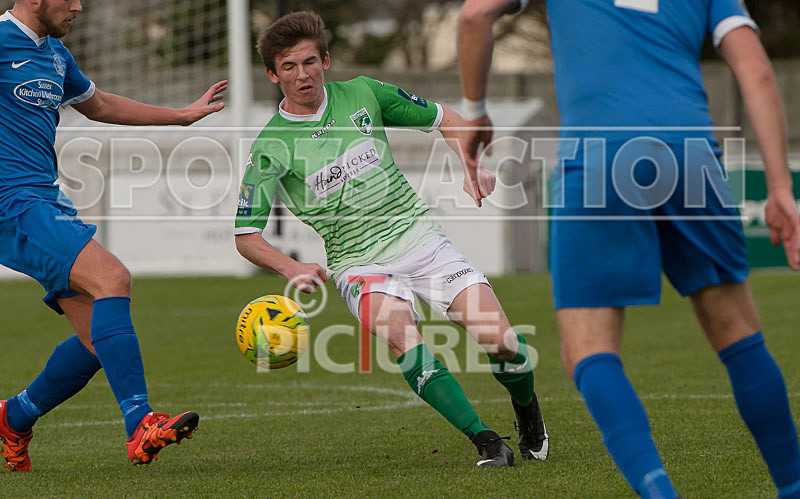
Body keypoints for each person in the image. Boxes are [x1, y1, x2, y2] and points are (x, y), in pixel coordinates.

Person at [458, 0, 800, 496]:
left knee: (589, 352)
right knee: (739, 338)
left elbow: (474, 15)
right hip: (692, 155)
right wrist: (780, 188)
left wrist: (474, 111)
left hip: (601, 158)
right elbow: (756, 70)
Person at [233, 10, 548, 467]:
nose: (301, 75)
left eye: (308, 62)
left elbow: (448, 119)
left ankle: (529, 414)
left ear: (325, 59)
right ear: (271, 73)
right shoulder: (270, 146)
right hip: (358, 264)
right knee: (403, 337)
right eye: (288, 67)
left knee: (502, 342)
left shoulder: (364, 93)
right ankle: (485, 441)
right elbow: (246, 234)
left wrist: (470, 161)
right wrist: (292, 267)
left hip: (421, 240)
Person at [0, 0, 227, 471]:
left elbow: (98, 105)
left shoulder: (56, 54)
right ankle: (140, 423)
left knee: (96, 341)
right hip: (12, 204)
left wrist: (180, 117)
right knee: (113, 278)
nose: (79, 6)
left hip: (45, 202)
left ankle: (13, 417)